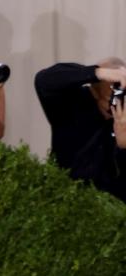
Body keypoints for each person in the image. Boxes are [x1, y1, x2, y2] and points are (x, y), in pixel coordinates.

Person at [35, 57, 126, 202]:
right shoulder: (75, 103)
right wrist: (96, 73)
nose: (114, 103)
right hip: (64, 200)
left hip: (109, 212)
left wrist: (123, 146)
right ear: (93, 91)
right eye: (109, 94)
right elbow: (44, 80)